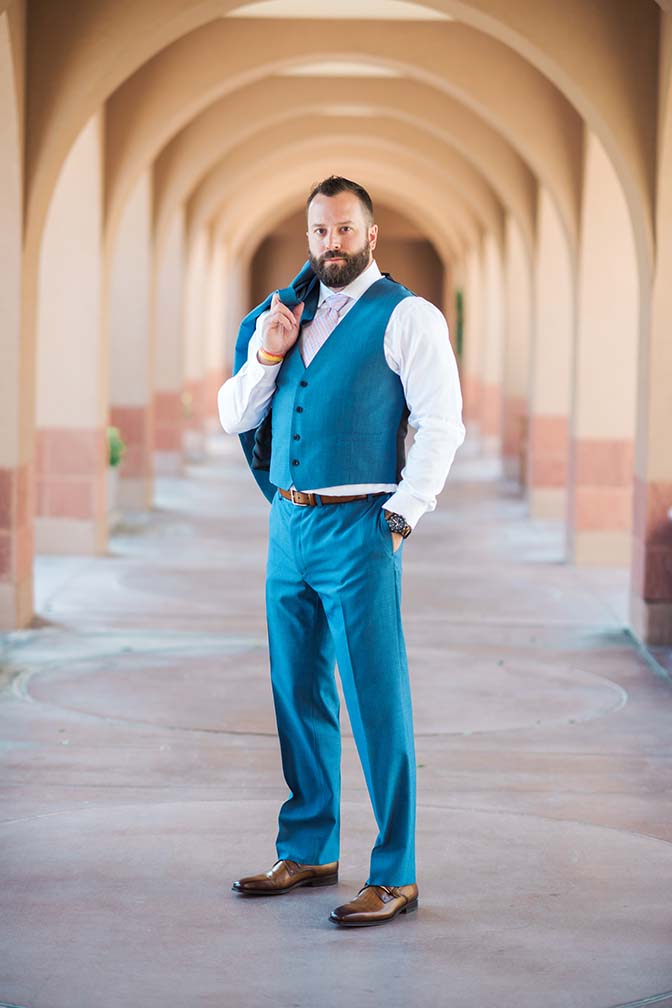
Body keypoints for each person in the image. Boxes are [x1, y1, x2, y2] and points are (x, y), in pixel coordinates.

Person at [218, 176, 465, 927]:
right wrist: (267, 354)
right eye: (320, 232)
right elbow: (235, 413)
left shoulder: (407, 317)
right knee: (296, 695)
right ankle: (309, 847)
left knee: (375, 703)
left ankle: (395, 873)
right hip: (288, 529)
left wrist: (400, 517)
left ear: (371, 234)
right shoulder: (279, 316)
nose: (332, 243)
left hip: (361, 527)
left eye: (346, 230)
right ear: (309, 237)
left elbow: (442, 424)